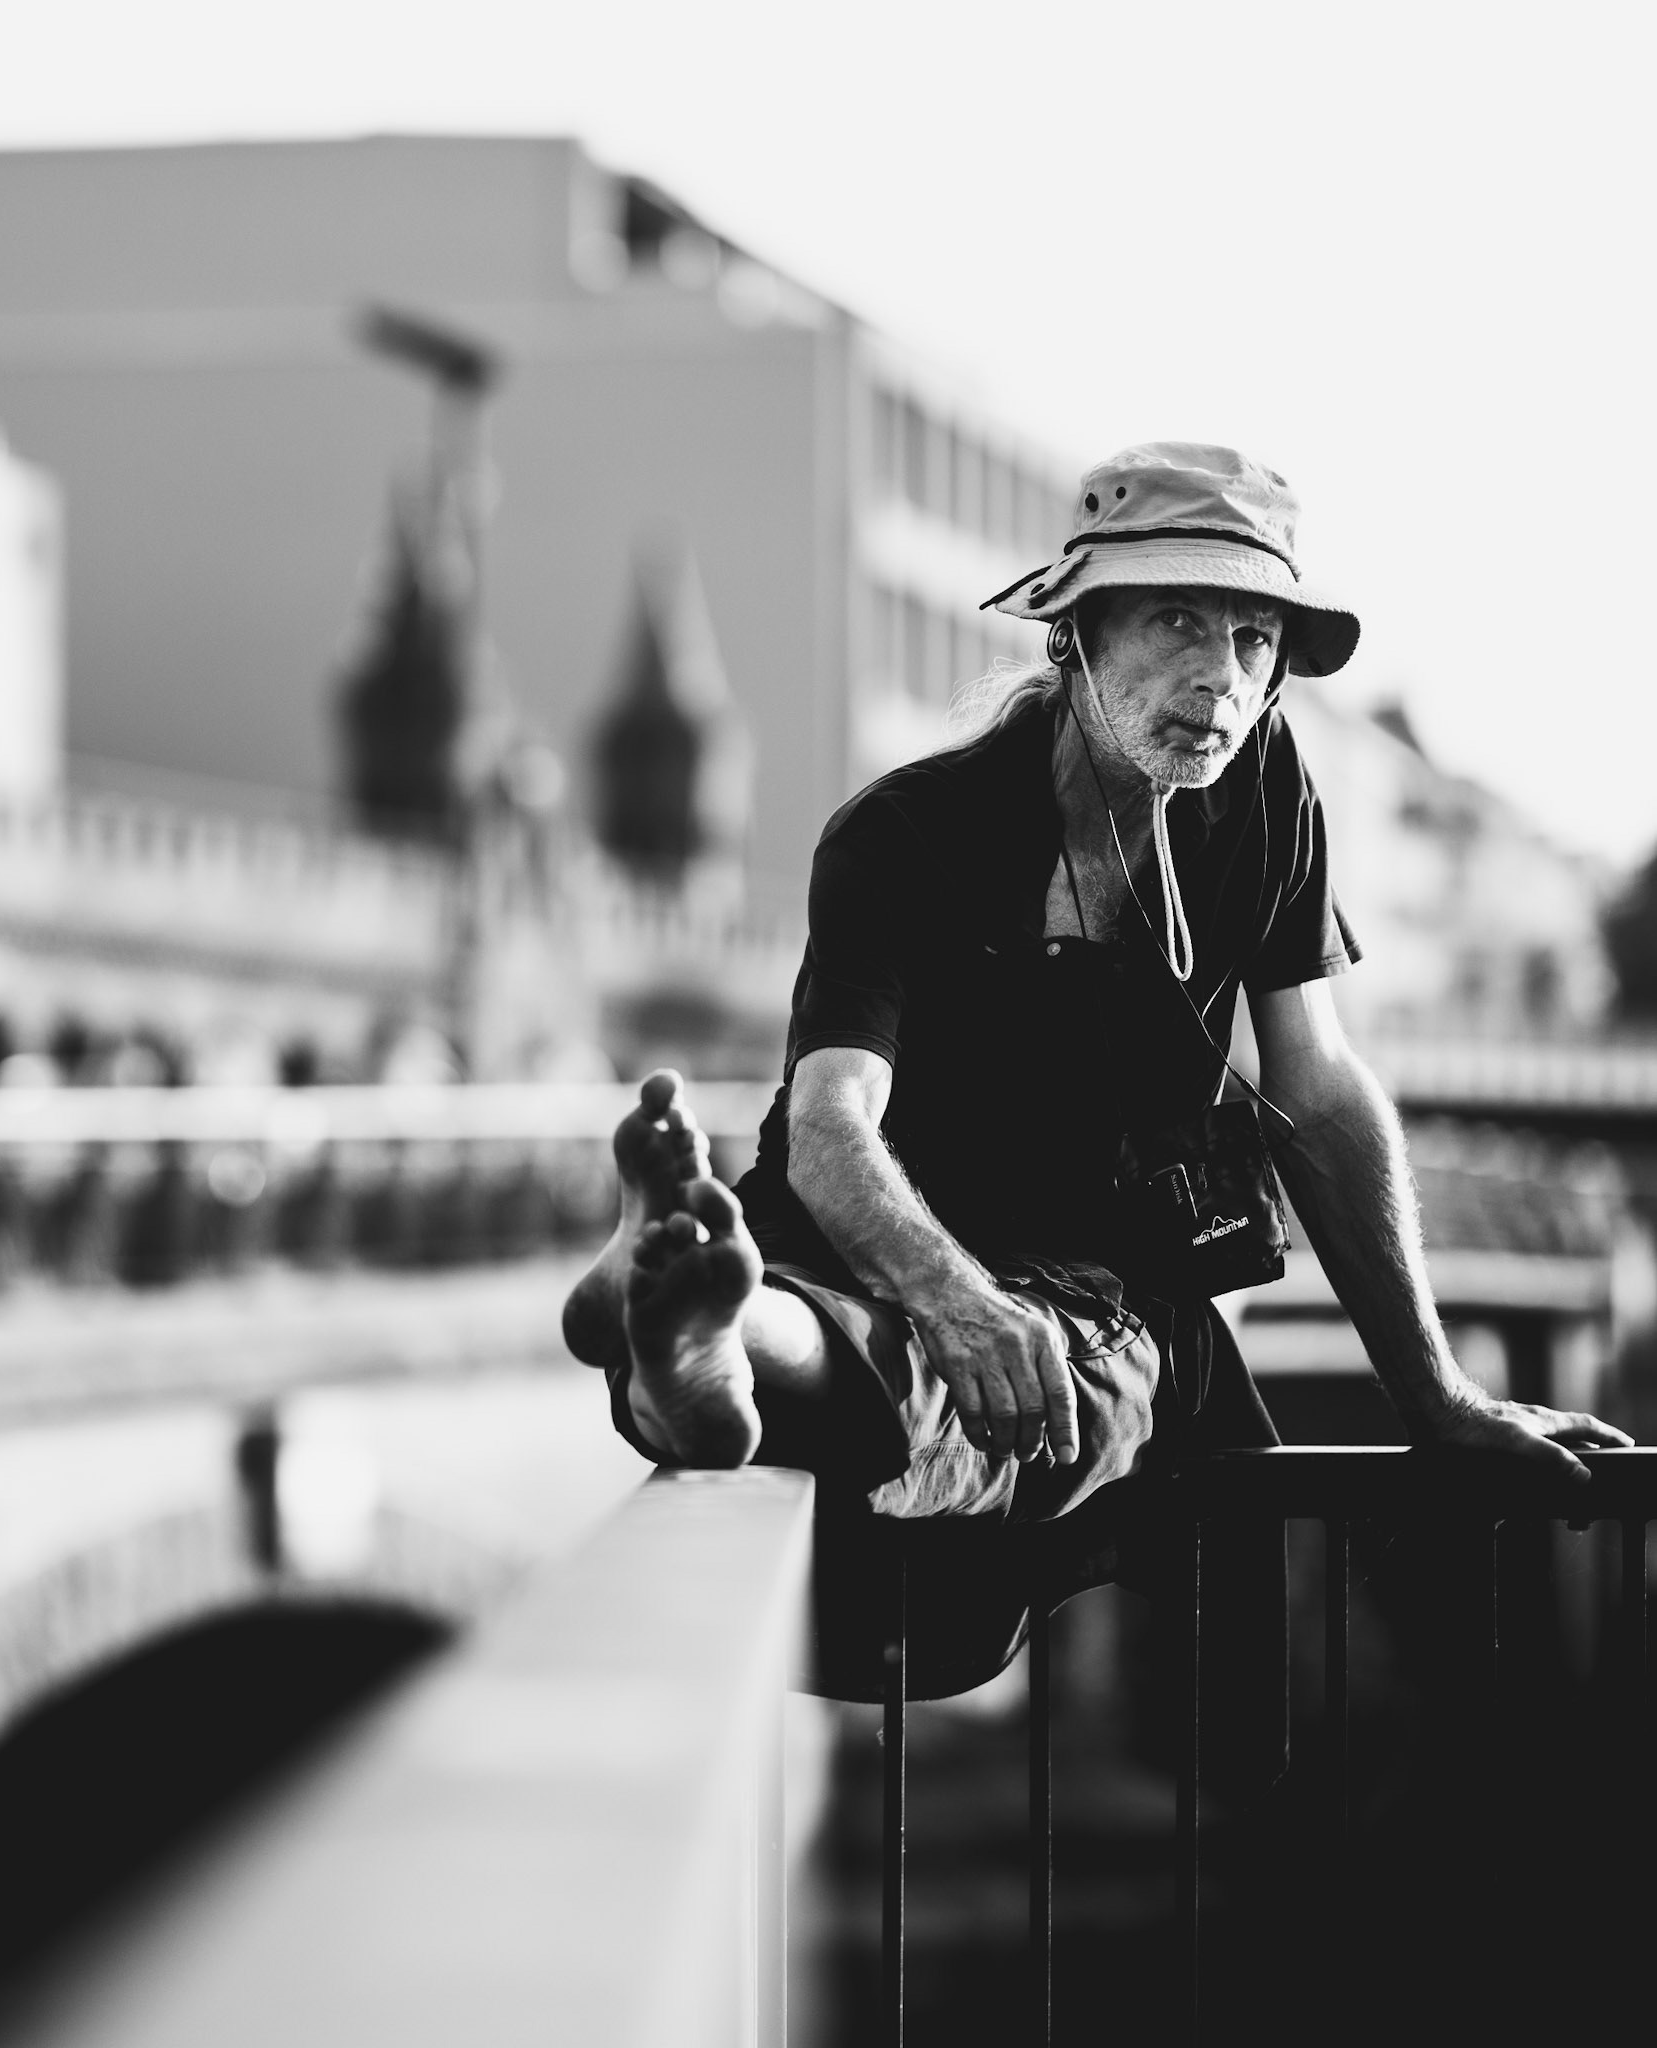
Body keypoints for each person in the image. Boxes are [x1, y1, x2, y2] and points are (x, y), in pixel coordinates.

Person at [562, 441, 1632, 1698]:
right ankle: (711, 1323)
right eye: (1178, 619)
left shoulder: (1267, 799)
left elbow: (1321, 1096)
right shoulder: (907, 833)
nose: (1219, 677)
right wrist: (957, 1297)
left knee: (1020, 1387)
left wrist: (1438, 1395)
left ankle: (697, 1331)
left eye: (1252, 637)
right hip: (875, 1245)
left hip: (1076, 1277)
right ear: (1072, 634)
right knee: (964, 1362)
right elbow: (830, 1122)